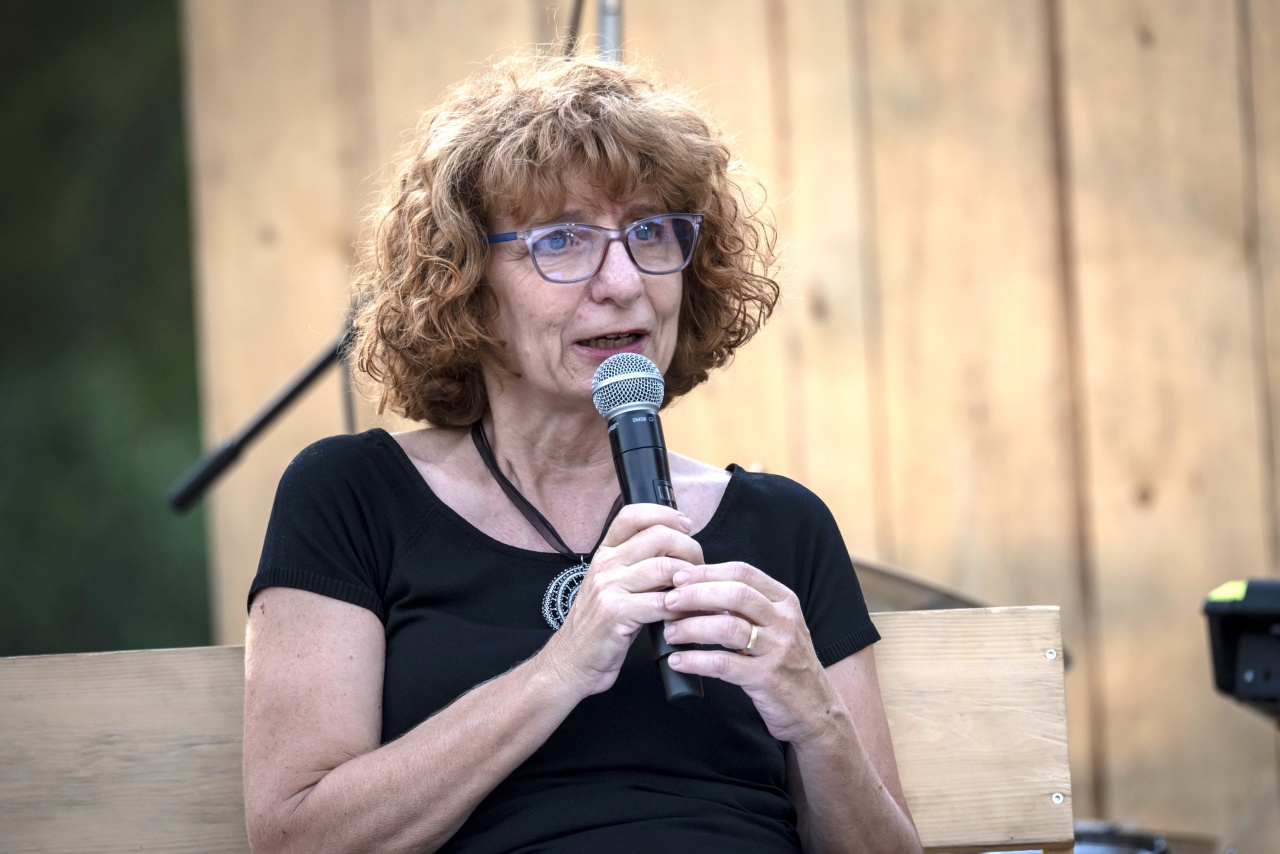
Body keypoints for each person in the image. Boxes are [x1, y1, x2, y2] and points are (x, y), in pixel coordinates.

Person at [243, 53, 920, 854]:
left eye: (649, 232)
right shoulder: (354, 498)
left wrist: (818, 721)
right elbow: (296, 839)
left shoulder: (783, 526)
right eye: (561, 240)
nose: (624, 281)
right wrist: (561, 669)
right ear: (465, 282)